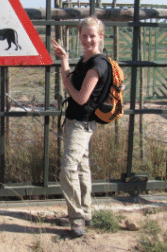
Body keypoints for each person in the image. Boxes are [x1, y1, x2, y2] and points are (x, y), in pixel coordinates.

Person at [52, 16, 111, 237]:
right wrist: (64, 59)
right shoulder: (84, 61)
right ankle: (85, 213)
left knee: (68, 170)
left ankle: (76, 218)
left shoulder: (97, 64)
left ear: (100, 37)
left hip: (82, 123)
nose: (88, 39)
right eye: (84, 35)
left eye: (92, 35)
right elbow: (70, 79)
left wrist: (66, 84)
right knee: (82, 167)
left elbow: (81, 97)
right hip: (75, 121)